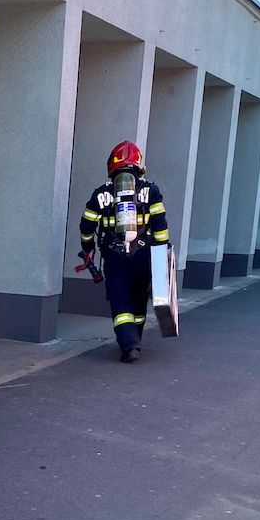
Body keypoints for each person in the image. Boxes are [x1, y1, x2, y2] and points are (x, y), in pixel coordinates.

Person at [78, 141, 170, 363]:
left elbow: (87, 226)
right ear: (138, 166)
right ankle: (135, 339)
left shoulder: (101, 193)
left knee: (120, 299)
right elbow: (160, 226)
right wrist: (162, 256)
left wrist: (87, 247)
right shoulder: (152, 191)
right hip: (143, 254)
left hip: (114, 255)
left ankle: (128, 344)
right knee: (138, 298)